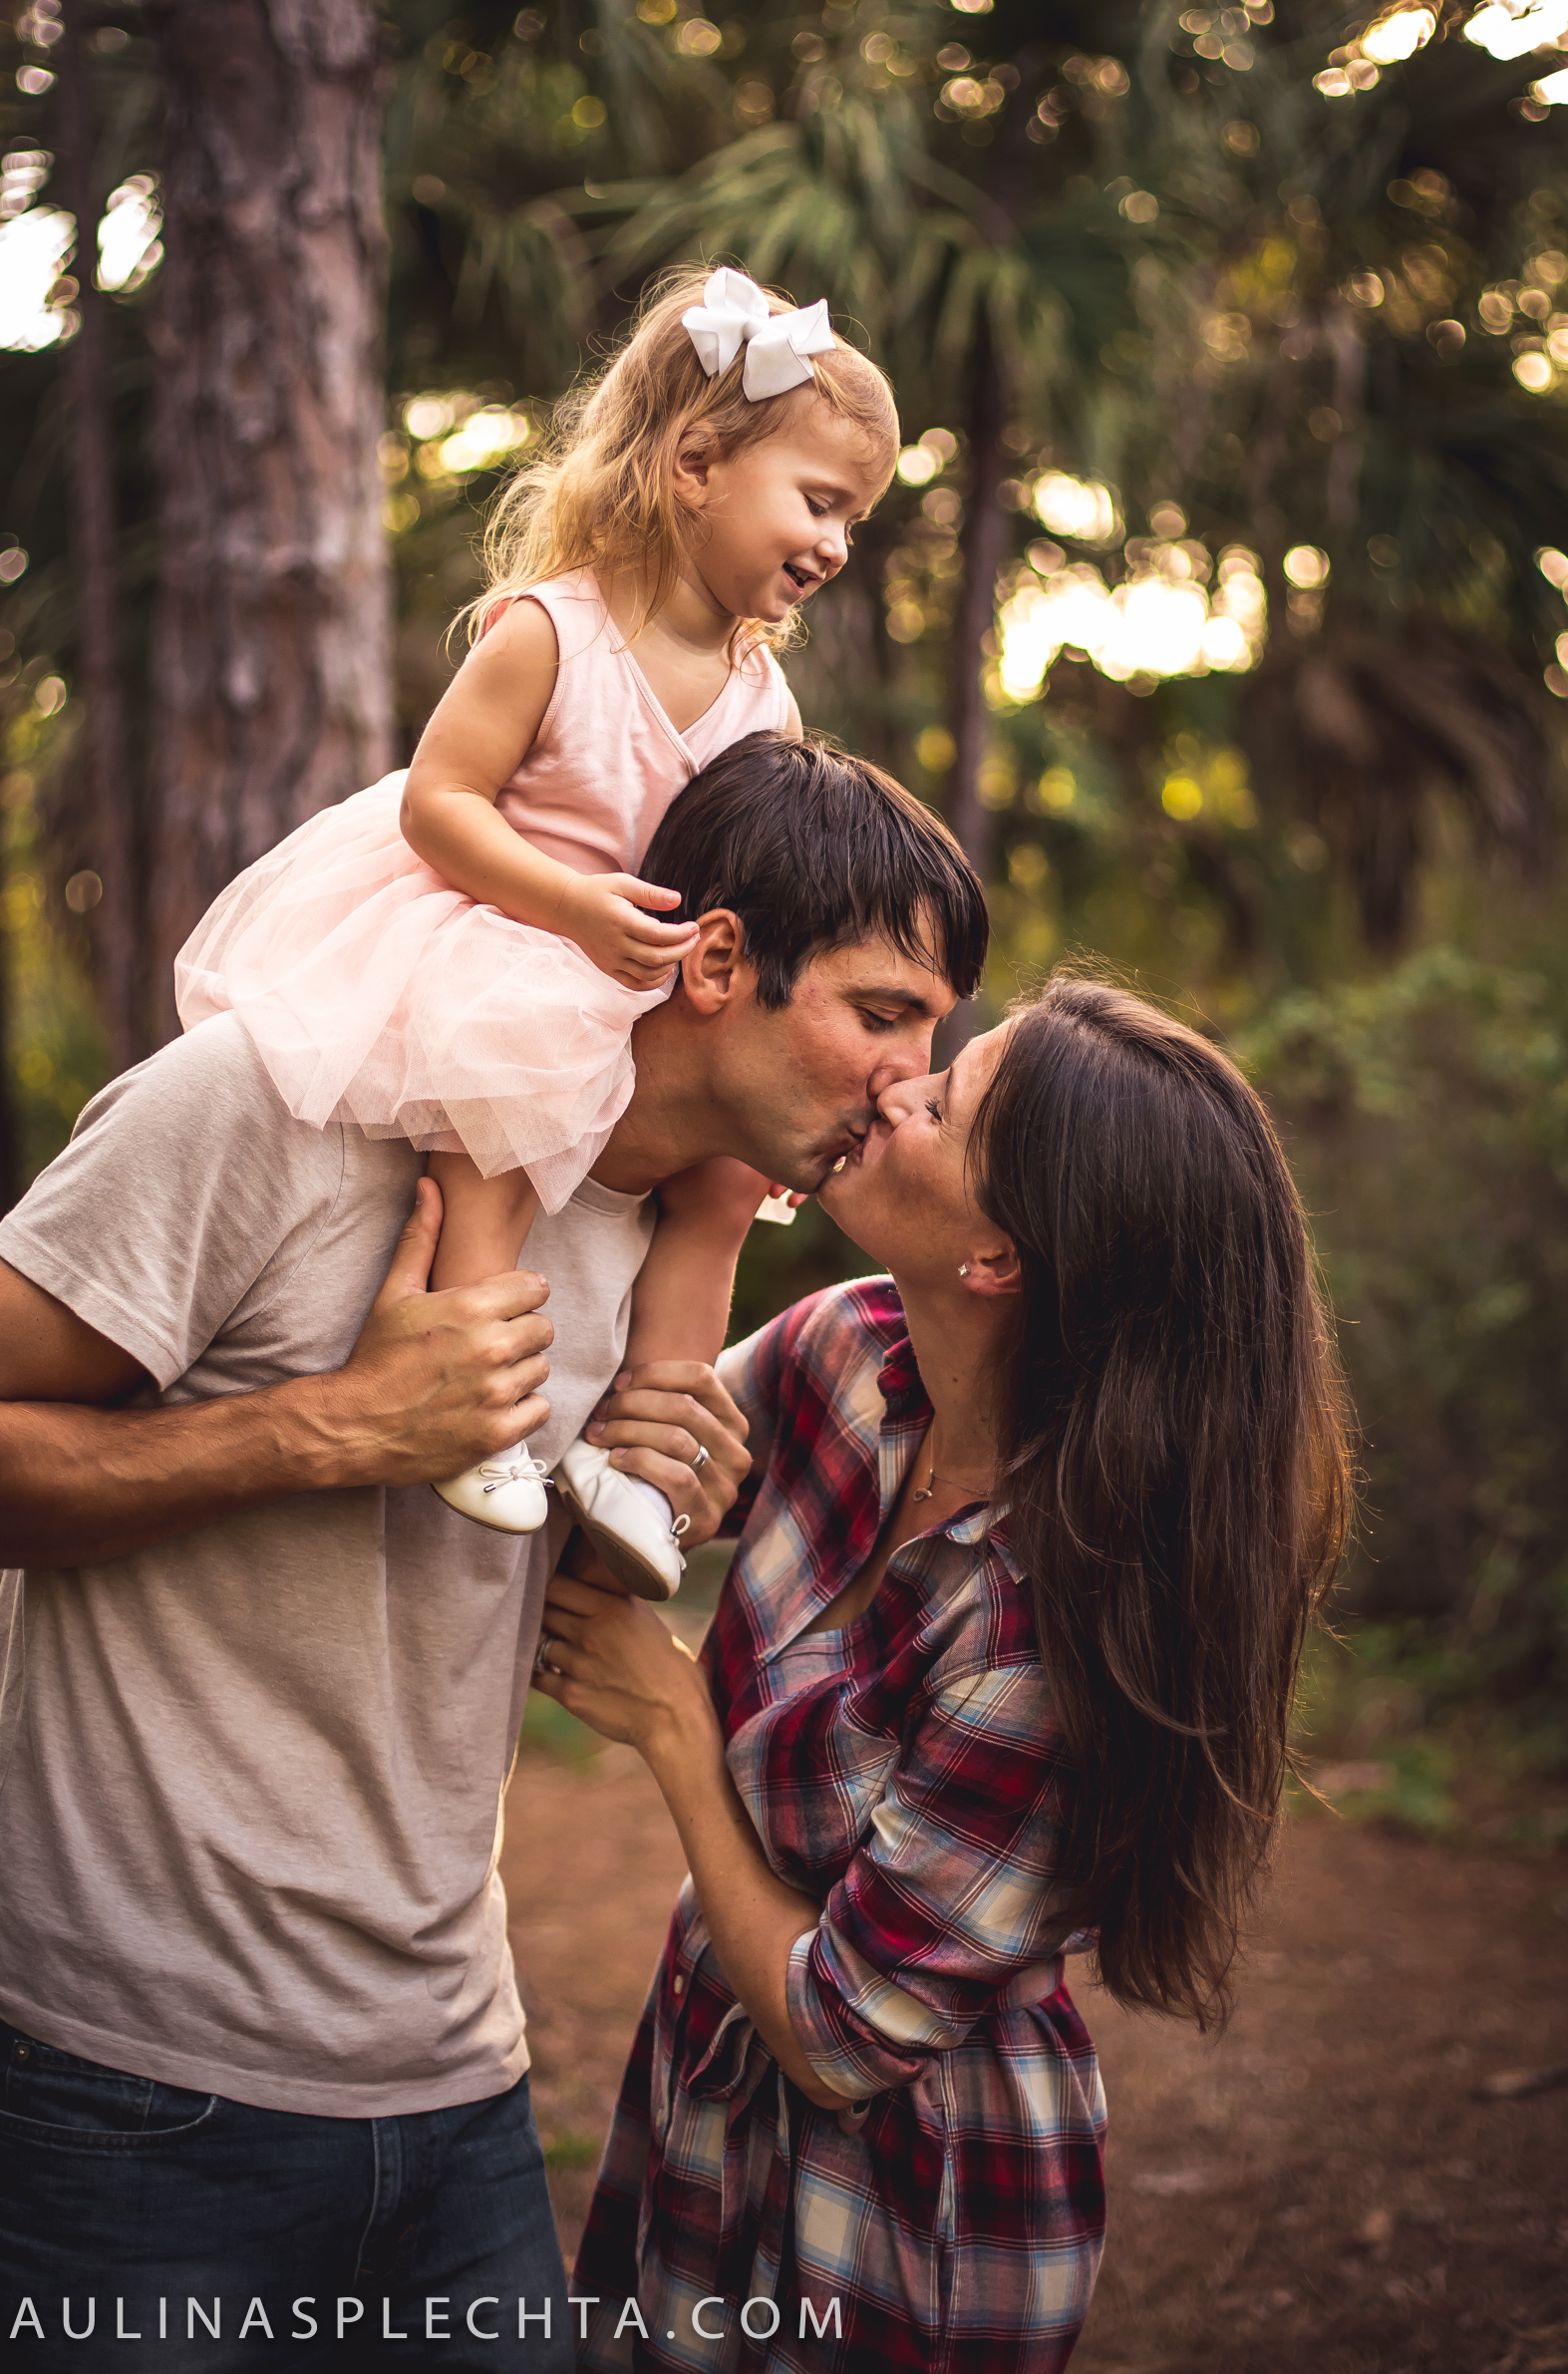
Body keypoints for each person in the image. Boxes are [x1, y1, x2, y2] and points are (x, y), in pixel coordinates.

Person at [0, 742, 987, 2369]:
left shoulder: (671, 1261)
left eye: (936, 1033)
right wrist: (335, 1424)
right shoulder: (278, 1102)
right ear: (714, 964)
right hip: (121, 2076)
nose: (911, 1080)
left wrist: (639, 1509)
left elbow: (442, 1598)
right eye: (884, 1012)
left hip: (455, 2069)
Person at [532, 977, 1355, 2374]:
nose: (895, 1087)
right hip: (705, 2098)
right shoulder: (848, 1355)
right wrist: (710, 1220)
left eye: (945, 1100)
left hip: (913, 2205)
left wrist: (676, 1724)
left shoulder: (1049, 1634)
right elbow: (600, 1522)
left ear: (997, 1258)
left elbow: (842, 2039)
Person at [175, 264, 900, 1594]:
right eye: (820, 502)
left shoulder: (763, 695)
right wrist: (567, 904)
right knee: (517, 1097)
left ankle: (645, 1450)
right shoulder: (550, 632)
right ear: (696, 464)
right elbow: (438, 806)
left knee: (728, 1183)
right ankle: (481, 1389)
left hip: (653, 977)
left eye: (853, 518)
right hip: (512, 932)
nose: (836, 543)